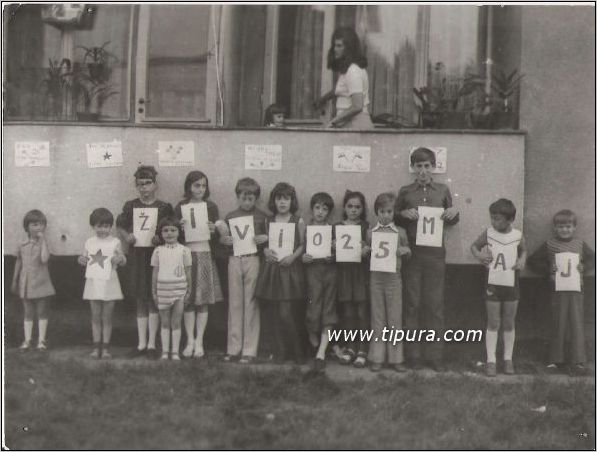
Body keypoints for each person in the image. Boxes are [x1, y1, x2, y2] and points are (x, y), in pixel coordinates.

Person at [395, 147, 459, 371]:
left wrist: (453, 214)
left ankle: (435, 355)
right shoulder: (405, 192)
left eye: (427, 166)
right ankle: (413, 355)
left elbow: (451, 217)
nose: (423, 171)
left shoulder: (442, 189)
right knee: (413, 303)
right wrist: (402, 215)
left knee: (434, 304)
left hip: (435, 254)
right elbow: (394, 217)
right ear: (413, 168)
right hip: (413, 253)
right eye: (418, 166)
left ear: (434, 167)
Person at [116, 165, 174, 359]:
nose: (144, 188)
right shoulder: (131, 206)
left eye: (148, 183)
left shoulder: (164, 207)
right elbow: (121, 226)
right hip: (137, 257)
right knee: (140, 298)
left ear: (155, 185)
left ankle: (151, 345)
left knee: (153, 298)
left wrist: (161, 238)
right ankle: (141, 343)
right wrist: (127, 236)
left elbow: (171, 230)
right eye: (140, 184)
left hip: (156, 257)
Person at [527, 210, 595, 376]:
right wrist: (549, 269)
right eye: (561, 226)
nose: (565, 229)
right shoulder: (550, 244)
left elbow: (593, 258)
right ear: (554, 228)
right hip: (557, 290)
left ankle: (578, 360)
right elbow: (532, 261)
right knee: (558, 323)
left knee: (577, 324)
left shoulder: (580, 244)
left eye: (568, 226)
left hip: (576, 290)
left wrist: (584, 267)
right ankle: (555, 360)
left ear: (574, 227)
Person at [471, 199, 527, 377]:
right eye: (492, 218)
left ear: (510, 220)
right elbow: (474, 247)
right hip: (493, 283)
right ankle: (491, 360)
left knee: (509, 322)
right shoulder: (488, 233)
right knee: (493, 322)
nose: (494, 222)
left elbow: (524, 250)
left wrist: (522, 259)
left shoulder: (518, 235)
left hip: (511, 284)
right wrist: (480, 255)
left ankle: (508, 359)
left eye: (498, 219)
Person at [174, 171, 225, 359]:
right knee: (188, 300)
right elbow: (174, 233)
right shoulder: (181, 206)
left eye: (203, 186)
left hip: (204, 254)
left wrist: (215, 229)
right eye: (196, 185)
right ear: (189, 186)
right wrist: (178, 226)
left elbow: (218, 232)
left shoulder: (211, 207)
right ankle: (189, 341)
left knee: (202, 300)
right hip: (187, 255)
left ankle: (200, 342)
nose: (200, 189)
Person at [255, 182, 306, 364]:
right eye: (279, 198)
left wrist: (293, 257)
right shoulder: (269, 220)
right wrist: (266, 251)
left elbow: (302, 244)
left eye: (286, 198)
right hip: (273, 270)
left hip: (289, 270)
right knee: (274, 313)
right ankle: (281, 352)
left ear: (292, 201)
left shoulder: (297, 220)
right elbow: (264, 243)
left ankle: (297, 351)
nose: (282, 202)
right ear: (274, 200)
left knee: (286, 312)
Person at [220, 178, 269, 363]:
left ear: (256, 198)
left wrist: (265, 238)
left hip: (253, 260)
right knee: (235, 303)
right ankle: (233, 348)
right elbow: (225, 240)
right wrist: (224, 241)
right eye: (244, 198)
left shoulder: (263, 216)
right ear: (238, 197)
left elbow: (272, 239)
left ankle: (249, 350)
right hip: (235, 259)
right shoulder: (231, 216)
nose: (247, 202)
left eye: (251, 198)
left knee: (251, 303)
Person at [366, 193, 411, 372]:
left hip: (394, 279)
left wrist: (404, 250)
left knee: (394, 318)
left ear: (394, 213)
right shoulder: (371, 232)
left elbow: (409, 251)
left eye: (389, 211)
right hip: (376, 279)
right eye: (382, 211)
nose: (386, 215)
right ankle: (377, 357)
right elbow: (366, 252)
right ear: (377, 212)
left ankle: (396, 358)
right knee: (377, 319)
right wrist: (365, 250)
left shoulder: (400, 232)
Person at [78, 208, 126, 359]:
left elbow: (122, 259)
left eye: (106, 226)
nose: (102, 229)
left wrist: (119, 259)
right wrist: (81, 260)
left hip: (109, 282)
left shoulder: (115, 242)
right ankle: (95, 347)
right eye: (99, 226)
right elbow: (82, 258)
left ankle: (105, 349)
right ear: (93, 226)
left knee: (107, 317)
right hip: (93, 282)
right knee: (95, 316)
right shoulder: (89, 242)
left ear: (110, 226)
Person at [334, 190, 371, 368]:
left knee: (362, 312)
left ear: (362, 209)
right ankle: (350, 348)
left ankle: (363, 349)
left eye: (357, 207)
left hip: (360, 274)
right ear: (344, 208)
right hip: (344, 274)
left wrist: (367, 250)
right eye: (350, 206)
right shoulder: (337, 227)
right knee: (348, 313)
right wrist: (333, 248)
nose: (354, 210)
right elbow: (330, 253)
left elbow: (372, 248)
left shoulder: (366, 227)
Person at [302, 192, 338, 372]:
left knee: (328, 308)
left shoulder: (332, 229)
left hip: (329, 271)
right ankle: (314, 342)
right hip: (312, 272)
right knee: (313, 307)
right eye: (317, 208)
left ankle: (321, 352)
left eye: (325, 209)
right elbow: (300, 248)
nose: (321, 212)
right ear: (312, 209)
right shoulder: (306, 228)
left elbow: (339, 252)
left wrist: (334, 252)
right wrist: (304, 257)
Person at [11, 209, 56, 351]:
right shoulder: (22, 244)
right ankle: (27, 340)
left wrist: (43, 241)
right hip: (26, 283)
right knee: (28, 312)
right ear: (27, 227)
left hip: (41, 282)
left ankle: (41, 341)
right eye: (35, 224)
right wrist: (14, 280)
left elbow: (44, 259)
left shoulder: (43, 243)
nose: (39, 227)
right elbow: (19, 262)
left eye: (42, 224)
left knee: (42, 311)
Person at [314, 27, 373, 129]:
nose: (335, 49)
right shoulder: (349, 69)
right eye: (334, 45)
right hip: (350, 123)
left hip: (356, 124)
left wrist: (332, 122)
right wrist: (323, 99)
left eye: (339, 46)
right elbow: (340, 89)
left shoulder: (353, 70)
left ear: (349, 48)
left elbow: (357, 106)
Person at [151, 217, 192, 361]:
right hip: (163, 289)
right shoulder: (158, 251)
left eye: (173, 230)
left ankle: (175, 352)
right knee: (165, 322)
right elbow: (155, 272)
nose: (169, 233)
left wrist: (189, 290)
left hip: (179, 289)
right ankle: (165, 352)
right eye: (165, 230)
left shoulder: (185, 250)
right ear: (161, 233)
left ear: (179, 232)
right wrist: (154, 291)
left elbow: (188, 271)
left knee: (176, 322)